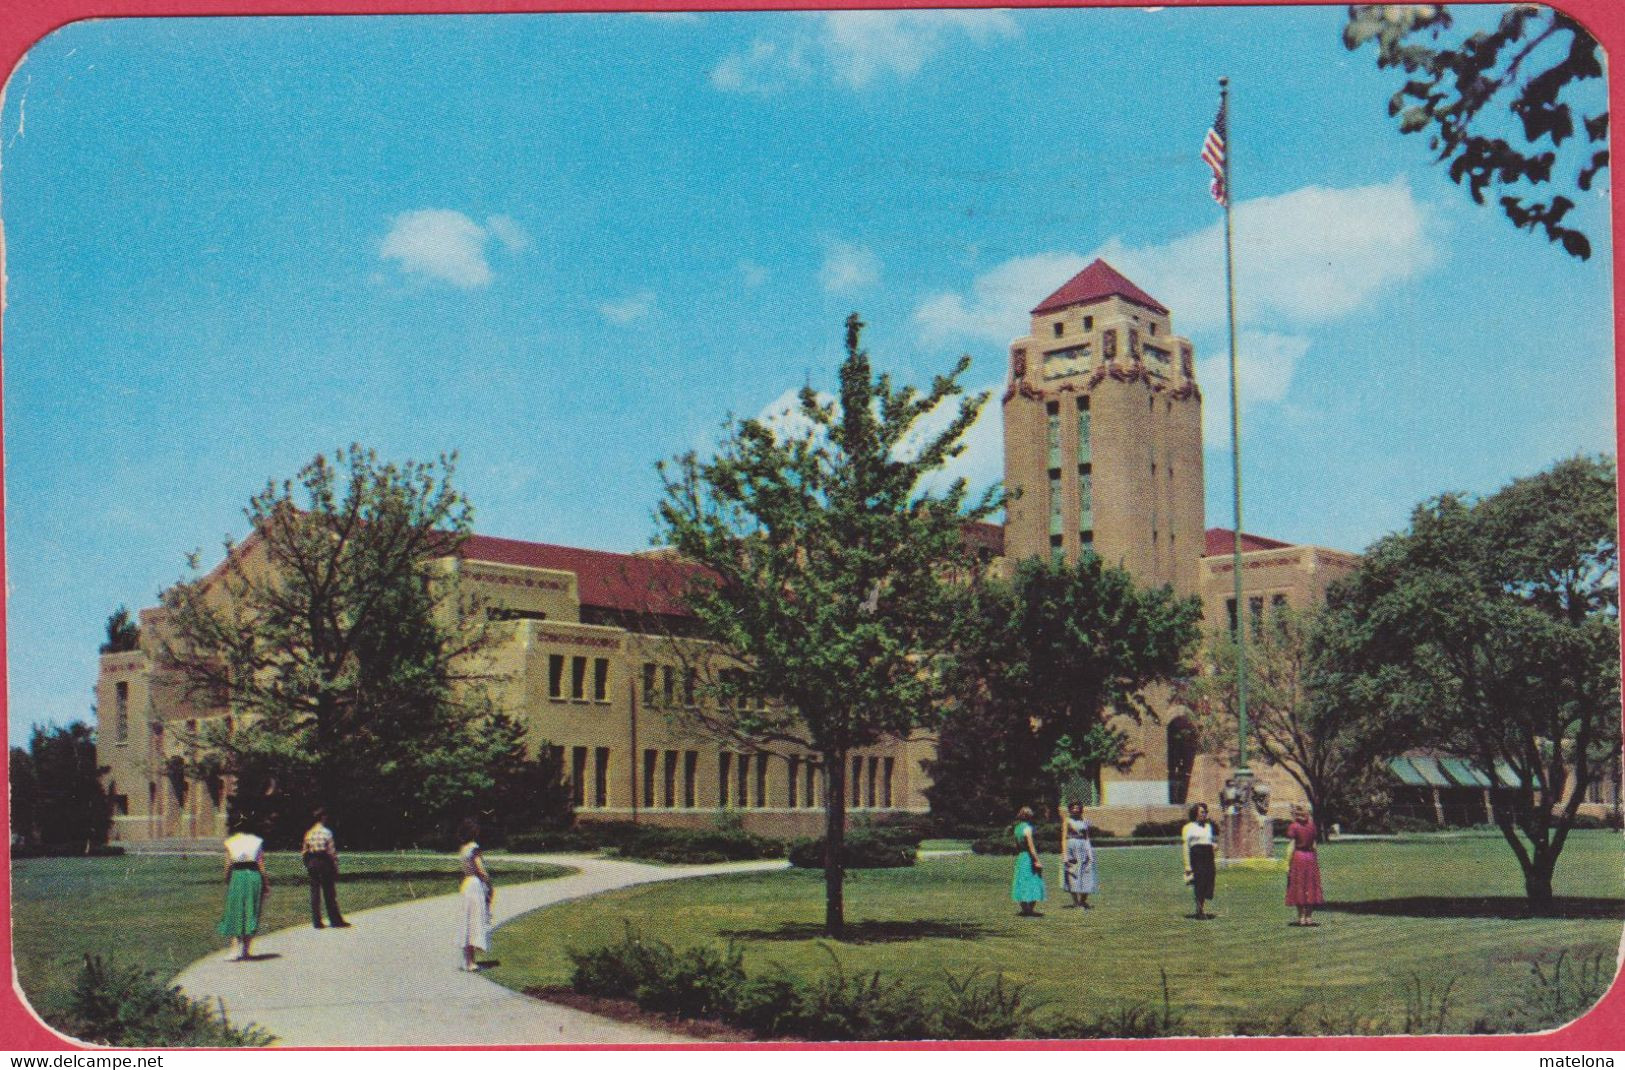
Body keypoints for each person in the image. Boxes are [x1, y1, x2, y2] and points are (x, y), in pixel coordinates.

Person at [217, 818, 270, 961]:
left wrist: (227, 879)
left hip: (237, 876)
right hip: (253, 876)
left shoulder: (231, 842)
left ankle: (234, 949)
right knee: (250, 911)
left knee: (235, 911)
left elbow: (228, 864)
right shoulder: (257, 842)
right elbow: (261, 865)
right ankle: (246, 949)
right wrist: (266, 884)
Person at [301, 807, 349, 930]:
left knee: (315, 892)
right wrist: (335, 865)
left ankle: (317, 921)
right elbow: (331, 851)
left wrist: (307, 863)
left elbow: (304, 851)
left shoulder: (309, 833)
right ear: (322, 817)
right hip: (324, 860)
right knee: (329, 891)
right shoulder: (326, 832)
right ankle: (335, 919)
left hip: (312, 860)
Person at [457, 818, 494, 971]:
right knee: (474, 920)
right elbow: (481, 869)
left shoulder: (463, 849)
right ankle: (471, 962)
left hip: (466, 884)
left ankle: (467, 959)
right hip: (475, 885)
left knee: (467, 920)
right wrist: (489, 883)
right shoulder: (474, 848)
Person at [1285, 803, 1325, 926]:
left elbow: (1291, 846)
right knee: (1311, 887)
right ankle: (1309, 917)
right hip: (1310, 858)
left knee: (1299, 886)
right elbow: (1314, 845)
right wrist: (1315, 860)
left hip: (1299, 858)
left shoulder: (1294, 826)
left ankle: (1301, 917)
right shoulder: (1312, 826)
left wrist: (1287, 863)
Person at [1180, 802, 1217, 920]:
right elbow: (1186, 846)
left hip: (1208, 855)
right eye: (1202, 812)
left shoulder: (1208, 827)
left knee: (1209, 882)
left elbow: (1207, 840)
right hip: (1197, 856)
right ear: (1195, 813)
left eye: (1206, 812)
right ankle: (1200, 911)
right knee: (1200, 883)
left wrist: (1213, 845)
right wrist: (1187, 866)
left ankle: (1201, 906)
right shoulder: (1188, 828)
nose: (1204, 814)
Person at [1057, 802, 1097, 908]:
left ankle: (1083, 901)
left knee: (1087, 873)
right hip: (1071, 848)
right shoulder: (1067, 821)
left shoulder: (1084, 821)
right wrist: (1064, 854)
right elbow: (1064, 838)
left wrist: (1090, 853)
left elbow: (1087, 837)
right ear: (1070, 809)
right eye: (1073, 807)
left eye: (1077, 807)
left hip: (1083, 848)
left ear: (1081, 809)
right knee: (1072, 874)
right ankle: (1075, 902)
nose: (1075, 809)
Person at [1010, 806, 1045, 917]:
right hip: (1028, 858)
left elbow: (1016, 846)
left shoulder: (1017, 828)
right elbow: (1031, 847)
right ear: (1030, 816)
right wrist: (1037, 860)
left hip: (1021, 857)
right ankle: (1030, 910)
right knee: (1034, 881)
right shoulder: (1028, 829)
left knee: (1021, 882)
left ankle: (1025, 909)